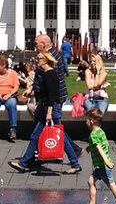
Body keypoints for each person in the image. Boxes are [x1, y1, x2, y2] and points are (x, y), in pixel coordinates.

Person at [8, 41, 83, 174]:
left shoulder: (50, 74)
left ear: (46, 60)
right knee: (39, 136)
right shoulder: (44, 73)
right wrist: (31, 92)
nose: (37, 60)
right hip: (45, 108)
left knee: (53, 136)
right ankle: (24, 163)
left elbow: (52, 96)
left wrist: (49, 112)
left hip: (50, 110)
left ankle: (24, 163)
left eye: (39, 59)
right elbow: (44, 93)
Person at [79, 107, 116, 204]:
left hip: (103, 165)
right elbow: (104, 144)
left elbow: (99, 148)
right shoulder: (100, 131)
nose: (86, 123)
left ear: (91, 121)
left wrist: (106, 161)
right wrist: (89, 147)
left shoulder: (93, 134)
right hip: (99, 166)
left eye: (86, 120)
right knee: (90, 181)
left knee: (111, 185)